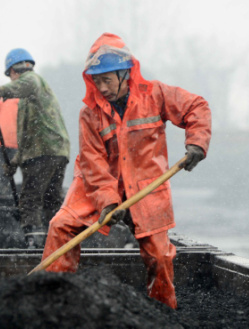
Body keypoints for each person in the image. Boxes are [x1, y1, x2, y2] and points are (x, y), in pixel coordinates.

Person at [41, 33, 212, 309]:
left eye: (106, 79)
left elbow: (197, 107)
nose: (101, 86)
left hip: (146, 185)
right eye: (96, 80)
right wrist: (108, 201)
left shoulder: (155, 94)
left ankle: (163, 311)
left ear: (125, 73)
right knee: (60, 226)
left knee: (159, 256)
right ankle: (51, 302)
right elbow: (92, 162)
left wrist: (197, 144)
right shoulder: (90, 114)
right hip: (95, 183)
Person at [0, 48, 70, 248]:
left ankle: (33, 243)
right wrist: (15, 162)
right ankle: (58, 242)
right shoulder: (30, 101)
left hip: (43, 153)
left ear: (13, 71)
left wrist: (0, 91)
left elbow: (27, 82)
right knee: (51, 199)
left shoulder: (33, 81)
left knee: (29, 199)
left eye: (10, 76)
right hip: (57, 151)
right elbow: (26, 137)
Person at [0, 97, 19, 196]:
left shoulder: (3, 99)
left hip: (4, 139)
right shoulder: (21, 99)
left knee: (1, 171)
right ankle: (3, 195)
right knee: (7, 171)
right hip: (14, 140)